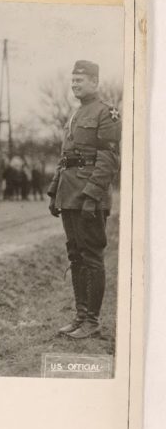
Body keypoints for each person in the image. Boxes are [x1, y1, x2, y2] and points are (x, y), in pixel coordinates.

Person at [47, 60, 121, 339]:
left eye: (80, 80)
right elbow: (65, 158)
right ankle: (80, 317)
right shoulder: (75, 115)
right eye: (73, 81)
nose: (75, 85)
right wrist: (55, 192)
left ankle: (92, 320)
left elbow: (109, 159)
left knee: (91, 257)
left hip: (90, 197)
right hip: (70, 196)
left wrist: (91, 196)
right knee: (76, 256)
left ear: (95, 82)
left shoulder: (107, 113)